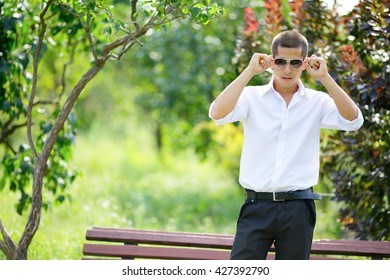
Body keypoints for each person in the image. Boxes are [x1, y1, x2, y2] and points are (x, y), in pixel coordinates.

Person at [209, 30, 364, 260]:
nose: (287, 69)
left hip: (298, 209)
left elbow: (354, 121)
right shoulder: (252, 97)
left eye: (295, 63)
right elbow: (217, 114)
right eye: (280, 62)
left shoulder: (317, 101)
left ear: (304, 64)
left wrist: (325, 78)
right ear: (271, 62)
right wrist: (249, 71)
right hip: (256, 205)